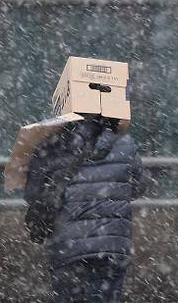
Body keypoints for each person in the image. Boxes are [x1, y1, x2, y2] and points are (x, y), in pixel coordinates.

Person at [24, 115, 155, 303]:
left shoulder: (49, 146)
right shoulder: (124, 143)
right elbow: (139, 186)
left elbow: (33, 196)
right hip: (111, 245)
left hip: (67, 247)